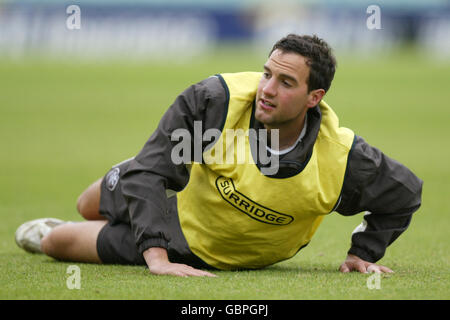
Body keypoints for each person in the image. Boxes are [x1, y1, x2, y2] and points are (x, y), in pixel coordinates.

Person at [15, 34, 423, 277]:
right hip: (187, 192)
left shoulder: (342, 156)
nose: (267, 88)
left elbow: (404, 195)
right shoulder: (215, 99)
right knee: (88, 203)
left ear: (314, 97)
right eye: (267, 73)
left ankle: (109, 220)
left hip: (195, 240)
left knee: (55, 240)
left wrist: (361, 253)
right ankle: (153, 187)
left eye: (285, 82)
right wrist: (155, 260)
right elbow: (150, 172)